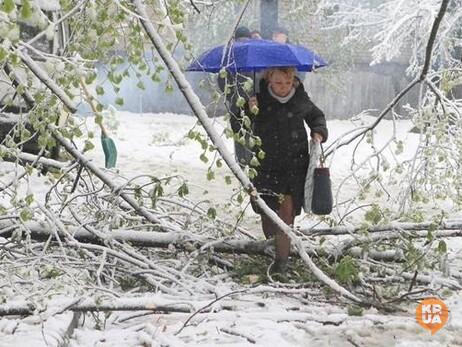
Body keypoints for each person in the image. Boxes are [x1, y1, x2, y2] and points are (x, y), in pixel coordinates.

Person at [249, 67, 328, 276]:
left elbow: (317, 116)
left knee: (286, 213)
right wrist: (249, 110)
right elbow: (238, 123)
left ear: (293, 80)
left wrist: (318, 132)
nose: (283, 88)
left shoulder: (300, 98)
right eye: (278, 83)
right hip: (265, 164)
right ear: (269, 80)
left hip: (294, 166)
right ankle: (274, 249)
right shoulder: (258, 99)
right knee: (267, 212)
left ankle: (281, 264)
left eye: (287, 82)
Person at [217, 26, 255, 168]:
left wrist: (256, 96)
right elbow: (222, 80)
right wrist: (232, 96)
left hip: (253, 105)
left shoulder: (253, 57)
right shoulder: (229, 58)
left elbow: (259, 79)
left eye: (246, 40)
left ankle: (253, 163)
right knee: (239, 136)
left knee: (252, 135)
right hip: (235, 105)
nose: (243, 43)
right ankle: (241, 164)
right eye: (241, 40)